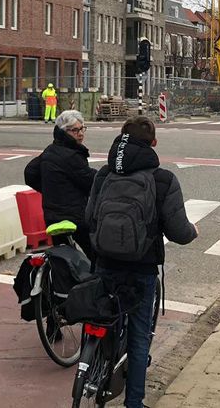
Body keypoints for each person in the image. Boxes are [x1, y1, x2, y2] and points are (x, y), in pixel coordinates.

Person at [86, 116, 199, 408]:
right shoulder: (163, 179)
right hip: (141, 268)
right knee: (138, 336)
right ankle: (133, 402)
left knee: (101, 317)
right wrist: (193, 232)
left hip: (105, 263)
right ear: (154, 143)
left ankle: (91, 371)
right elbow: (178, 231)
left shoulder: (103, 174)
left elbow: (89, 218)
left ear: (121, 139)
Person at [24, 110, 97, 260]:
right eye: (75, 130)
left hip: (52, 217)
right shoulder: (72, 156)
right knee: (97, 254)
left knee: (62, 259)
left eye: (82, 128)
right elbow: (90, 181)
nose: (81, 133)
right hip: (75, 217)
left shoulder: (50, 151)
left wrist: (52, 189)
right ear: (64, 132)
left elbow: (30, 173)